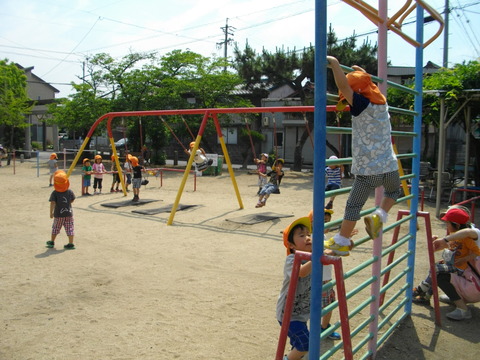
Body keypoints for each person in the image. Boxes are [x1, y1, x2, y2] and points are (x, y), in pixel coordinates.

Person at [325, 56, 401, 256]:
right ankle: (379, 216)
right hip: (390, 167)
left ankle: (342, 240)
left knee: (353, 205)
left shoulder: (360, 104)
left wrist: (334, 63)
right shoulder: (381, 102)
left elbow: (344, 85)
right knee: (393, 192)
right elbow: (367, 82)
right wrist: (359, 70)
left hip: (369, 172)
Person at [412, 207, 480, 320]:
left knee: (439, 273)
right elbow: (449, 251)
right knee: (438, 267)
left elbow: (467, 235)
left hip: (474, 284)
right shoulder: (457, 237)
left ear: (458, 225)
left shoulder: (473, 234)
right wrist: (434, 244)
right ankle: (427, 295)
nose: (446, 227)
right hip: (469, 278)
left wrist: (446, 240)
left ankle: (463, 309)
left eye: (448, 223)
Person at [46, 170, 76, 250]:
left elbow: (52, 203)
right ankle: (71, 243)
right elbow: (72, 199)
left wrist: (51, 213)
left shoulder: (55, 193)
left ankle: (52, 242)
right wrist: (67, 203)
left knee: (56, 227)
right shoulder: (69, 191)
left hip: (58, 214)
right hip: (69, 213)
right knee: (70, 227)